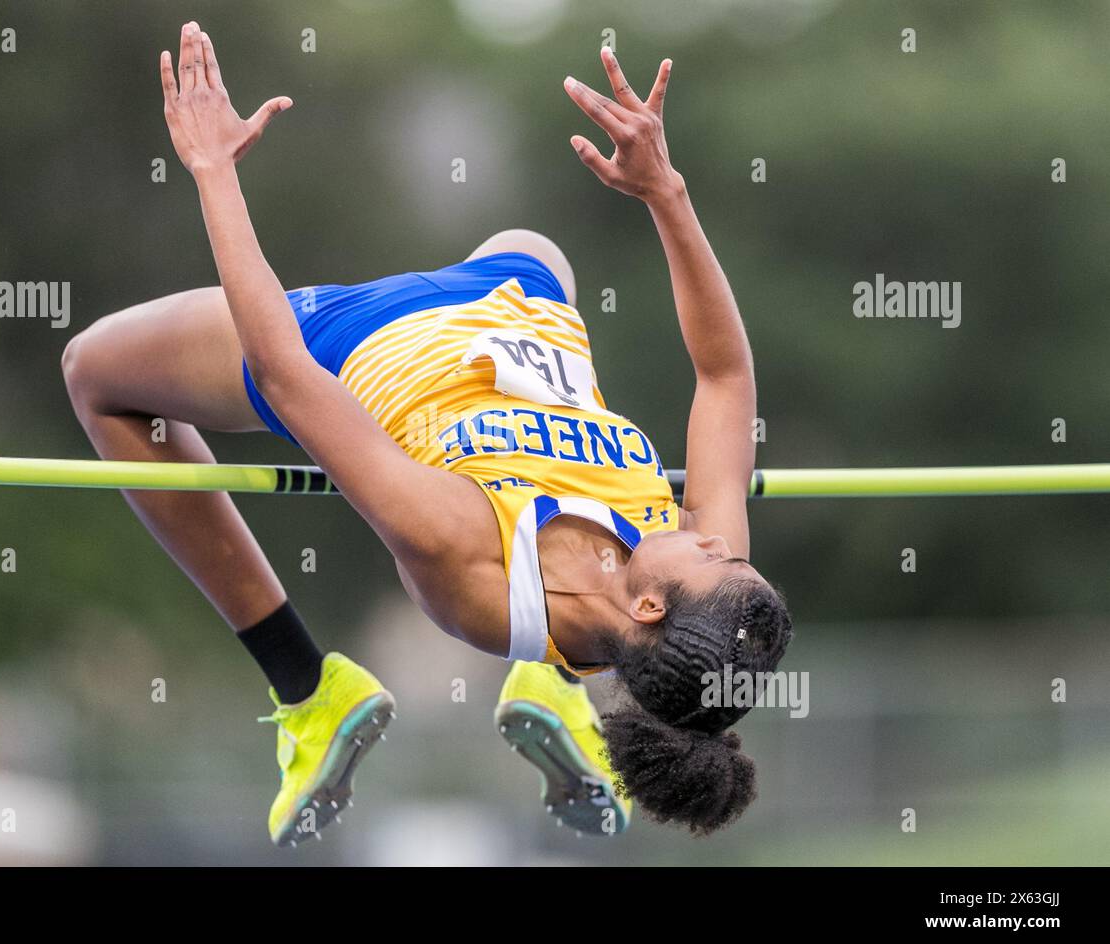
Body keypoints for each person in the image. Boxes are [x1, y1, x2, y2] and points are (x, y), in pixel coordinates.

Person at [62, 22, 792, 847]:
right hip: (520, 291)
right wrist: (668, 193)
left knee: (94, 371)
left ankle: (308, 687)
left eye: (710, 555)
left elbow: (283, 372)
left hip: (360, 336)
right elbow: (725, 375)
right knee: (535, 241)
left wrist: (214, 172)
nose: (710, 533)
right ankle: (559, 682)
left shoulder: (464, 552)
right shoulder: (703, 565)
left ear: (653, 603)